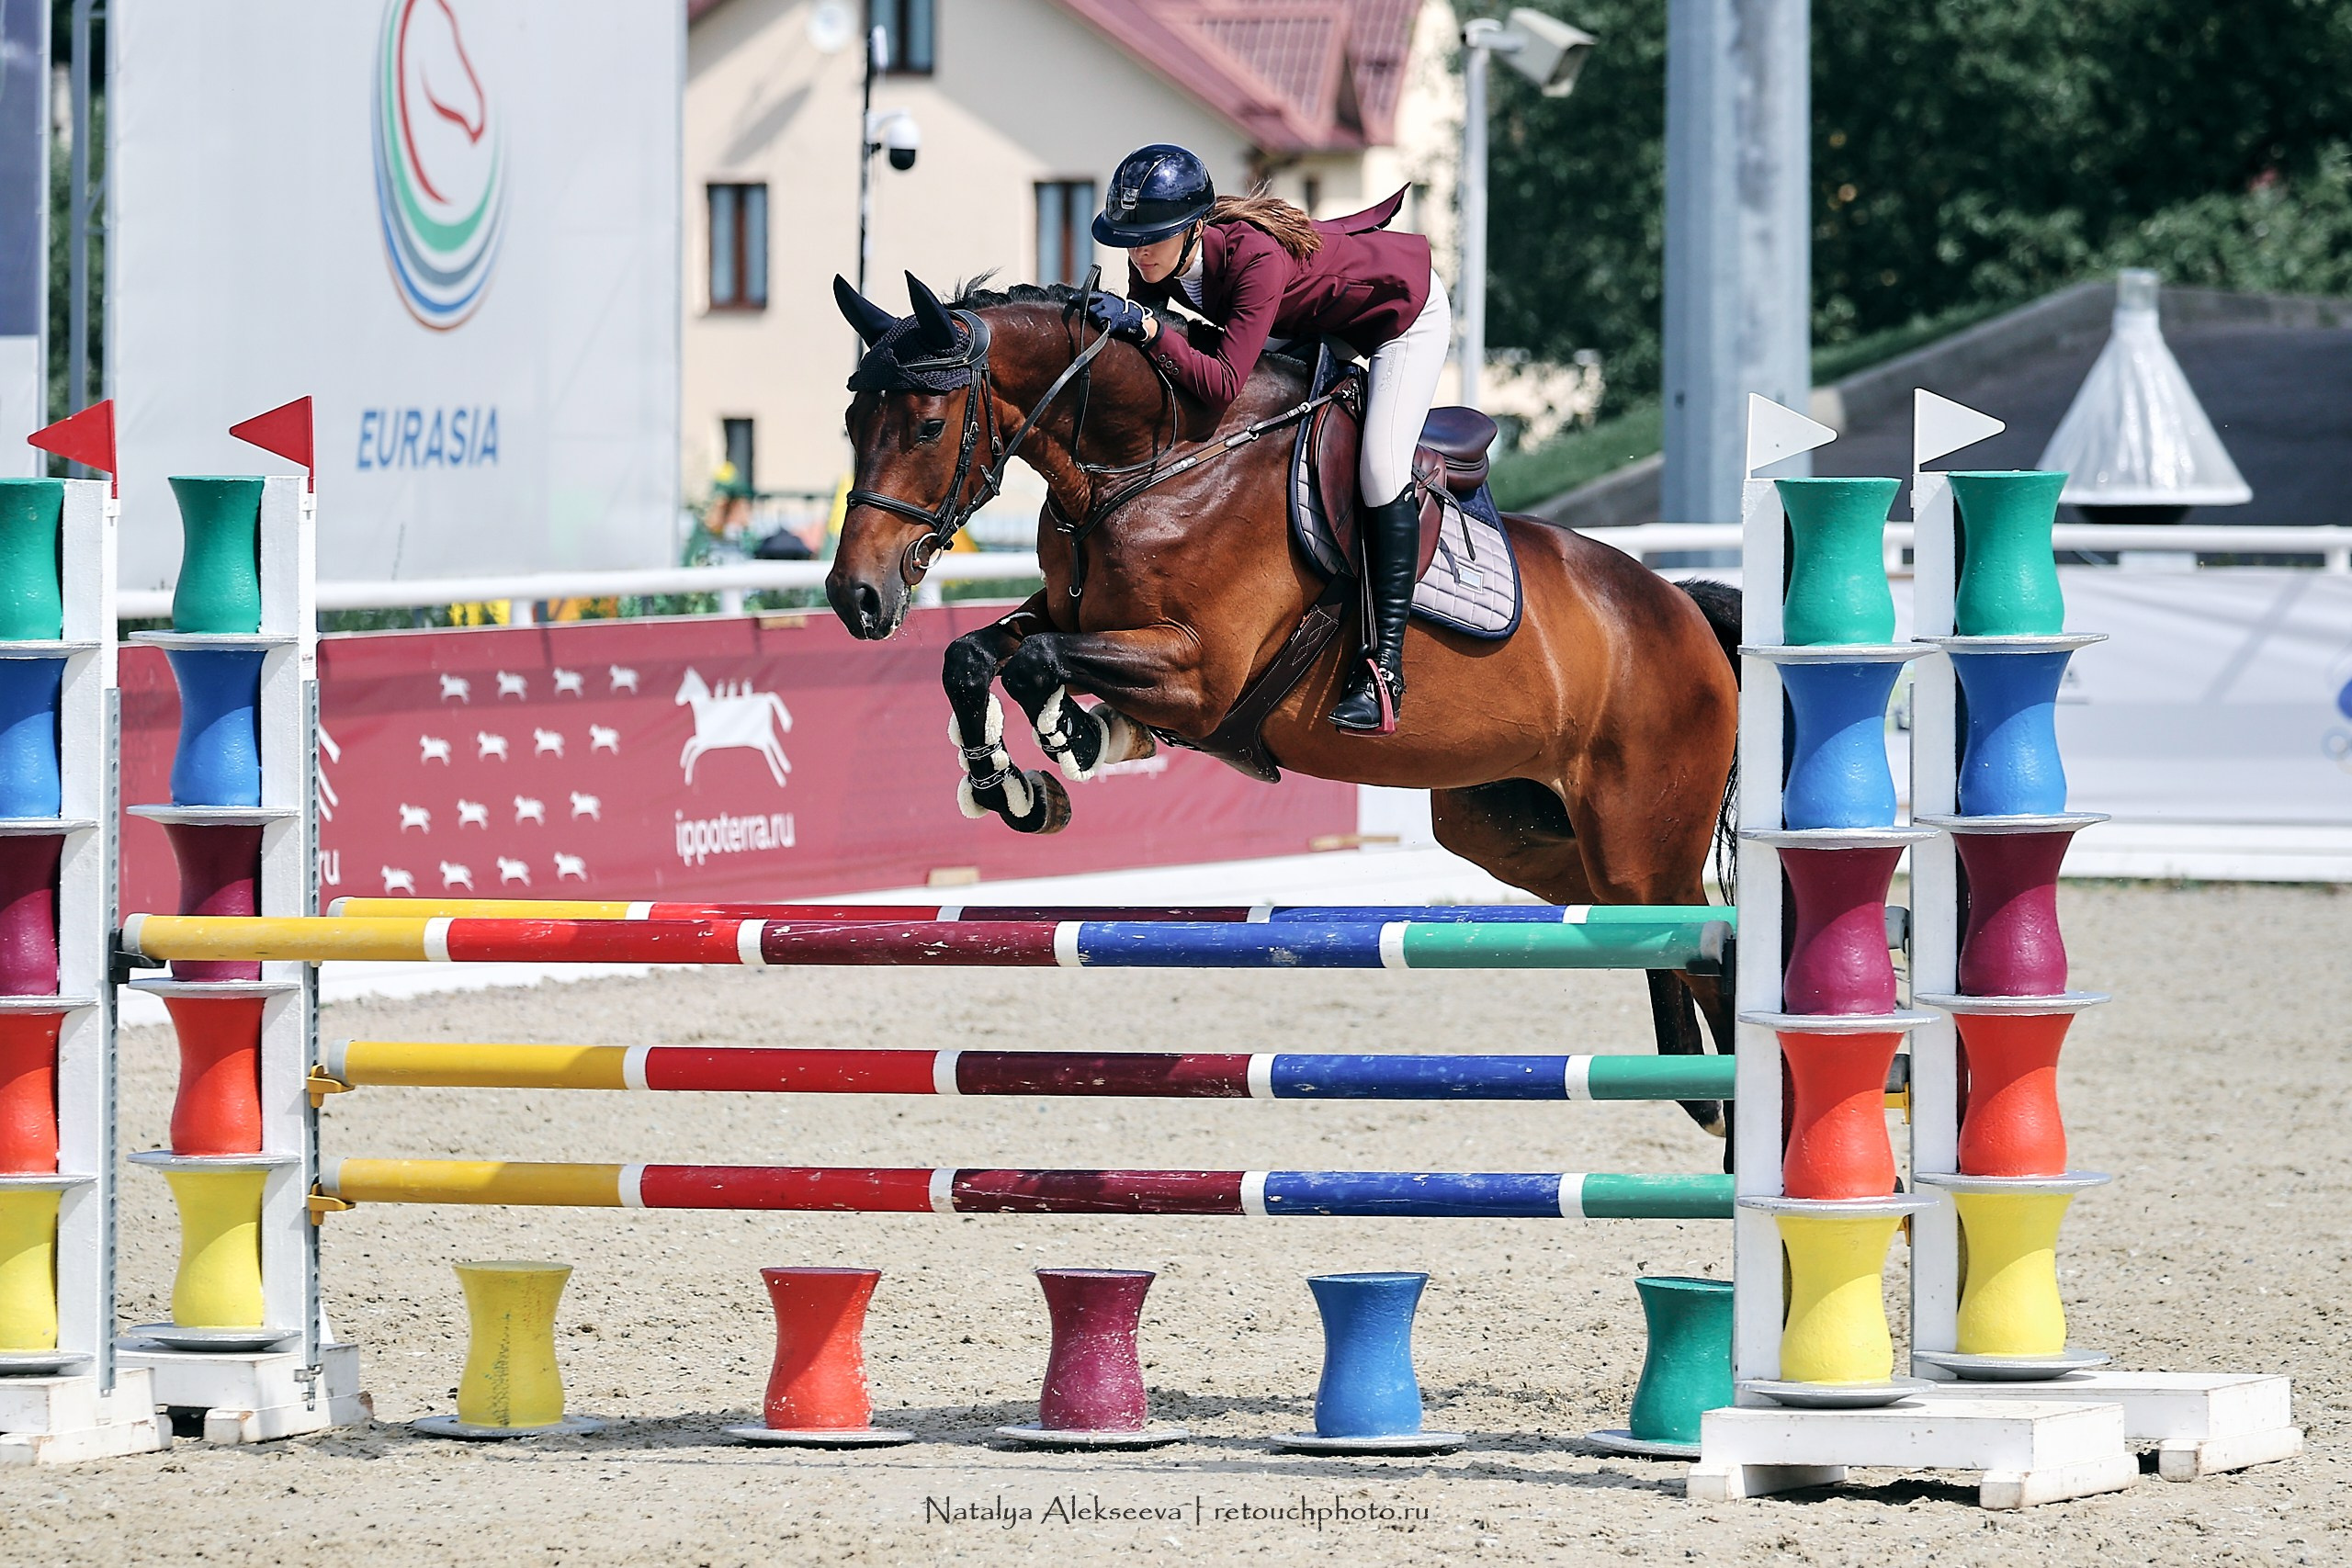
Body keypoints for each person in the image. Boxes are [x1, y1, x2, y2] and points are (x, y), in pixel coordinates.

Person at [1087, 144, 1450, 735]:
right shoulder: (1155, 256)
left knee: (1382, 471)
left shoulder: (1253, 257)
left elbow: (1222, 381)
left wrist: (1150, 327)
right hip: (1316, 326)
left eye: (1152, 236)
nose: (1138, 250)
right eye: (1129, 237)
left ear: (1195, 227)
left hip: (1398, 318)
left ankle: (1382, 671)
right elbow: (1147, 364)